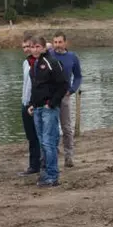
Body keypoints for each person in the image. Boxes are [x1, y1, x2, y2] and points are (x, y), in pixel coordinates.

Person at [27, 37, 68, 188]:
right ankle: (45, 173)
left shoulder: (52, 63)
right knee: (42, 143)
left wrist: (52, 103)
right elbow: (35, 87)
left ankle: (52, 175)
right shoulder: (34, 65)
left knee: (48, 142)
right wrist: (32, 104)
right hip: (37, 108)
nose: (35, 49)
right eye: (32, 47)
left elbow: (64, 85)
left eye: (38, 46)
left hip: (48, 109)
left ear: (44, 48)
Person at [50, 31, 83, 168]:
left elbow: (78, 76)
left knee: (67, 127)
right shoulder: (49, 55)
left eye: (60, 42)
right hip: (50, 96)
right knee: (51, 127)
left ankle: (69, 155)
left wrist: (72, 90)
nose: (57, 45)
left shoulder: (72, 57)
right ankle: (52, 154)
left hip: (64, 96)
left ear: (65, 43)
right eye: (55, 42)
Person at [18, 36, 41, 176]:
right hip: (25, 103)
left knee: (41, 136)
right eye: (24, 47)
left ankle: (43, 163)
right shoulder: (25, 63)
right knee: (31, 137)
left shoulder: (41, 61)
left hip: (37, 104)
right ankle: (34, 165)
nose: (26, 49)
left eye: (29, 46)